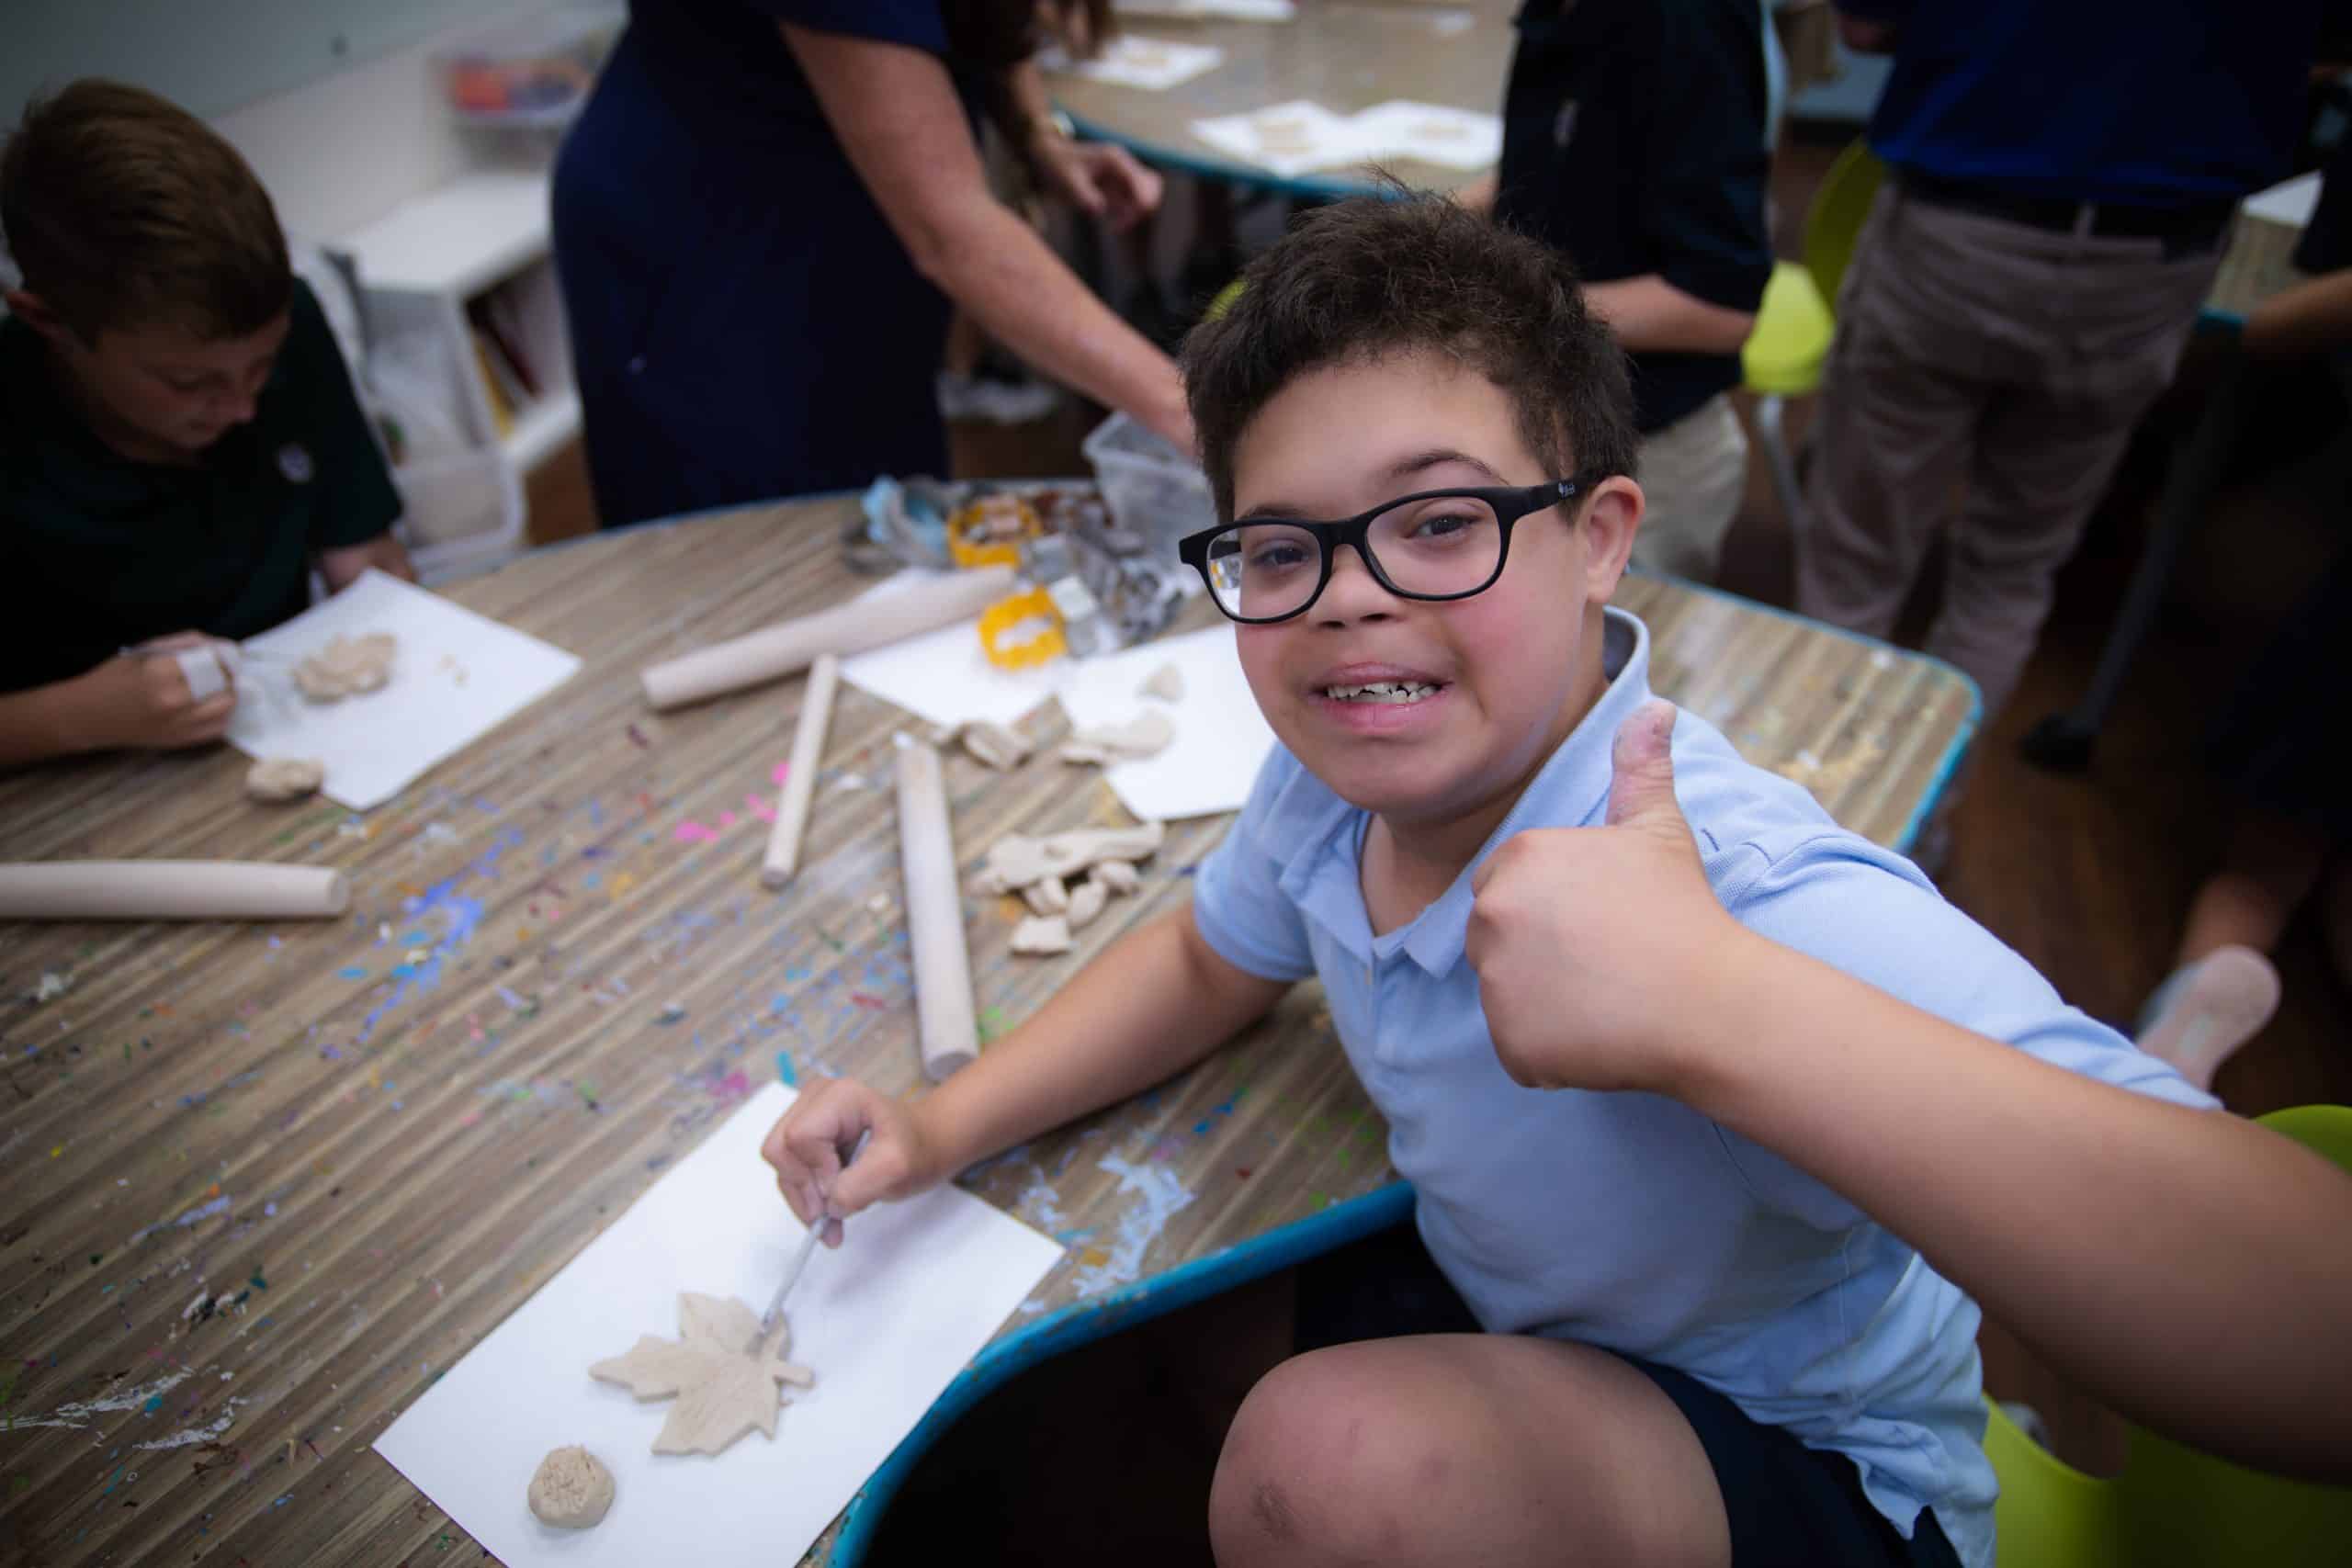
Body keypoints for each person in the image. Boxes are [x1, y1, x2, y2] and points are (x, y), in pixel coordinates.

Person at [761, 197, 2352, 1567]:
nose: (1347, 599)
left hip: (1807, 1454)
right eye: (1281, 550)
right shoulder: (1334, 784)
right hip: (1525, 1313)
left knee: (1329, 1461)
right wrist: (939, 1125)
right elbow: (1206, 956)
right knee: (1135, 1354)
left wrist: (1718, 1006)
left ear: (1598, 538)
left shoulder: (1745, 889)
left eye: (1440, 521)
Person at [1795, 0, 2332, 730]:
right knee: (2010, 572)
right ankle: (1934, 792)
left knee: (1856, 561)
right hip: (2152, 258)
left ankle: (1818, 787)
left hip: (1960, 228)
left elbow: (1865, 26)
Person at [552, 0, 1194, 529]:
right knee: (763, 549)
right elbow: (950, 230)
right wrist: (1190, 412)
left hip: (849, 246)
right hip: (709, 258)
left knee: (884, 522)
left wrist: (1035, 134)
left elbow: (974, 16)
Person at [0, 80, 413, 770]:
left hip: (296, 738)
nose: (243, 408)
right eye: (190, 384)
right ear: (51, 325)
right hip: (81, 781)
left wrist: (383, 613)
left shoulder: (290, 323)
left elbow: (365, 560)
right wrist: (81, 717)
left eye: (262, 367)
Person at [1461, 0, 1773, 582]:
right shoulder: (1560, 15)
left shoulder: (1687, 25)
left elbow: (1722, 309)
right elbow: (1544, 164)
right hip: (1541, 423)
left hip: (1645, 447)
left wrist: (1498, 313)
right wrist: (1427, 227)